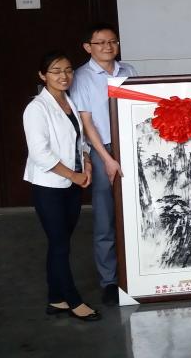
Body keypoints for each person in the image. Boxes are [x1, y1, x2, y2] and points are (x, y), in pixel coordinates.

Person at [23, 51, 100, 321]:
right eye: (56, 71)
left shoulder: (68, 101)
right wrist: (73, 175)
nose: (63, 76)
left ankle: (56, 299)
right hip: (50, 186)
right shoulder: (36, 108)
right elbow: (40, 154)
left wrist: (87, 163)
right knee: (60, 244)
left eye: (68, 70)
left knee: (61, 242)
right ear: (43, 75)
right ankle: (73, 300)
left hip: (72, 183)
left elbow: (80, 140)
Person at [71, 23, 137, 305]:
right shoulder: (81, 77)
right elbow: (87, 124)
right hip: (103, 150)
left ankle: (136, 271)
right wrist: (107, 159)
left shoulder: (129, 70)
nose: (108, 47)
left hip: (131, 145)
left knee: (135, 210)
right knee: (105, 217)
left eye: (113, 41)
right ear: (88, 47)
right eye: (100, 43)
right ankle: (110, 280)